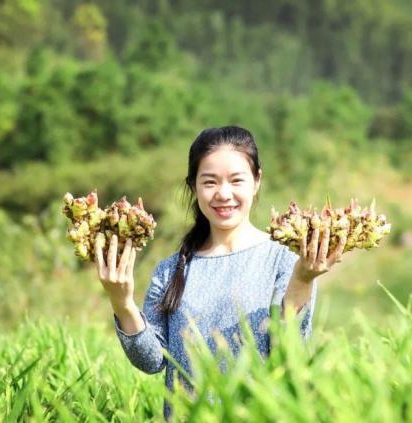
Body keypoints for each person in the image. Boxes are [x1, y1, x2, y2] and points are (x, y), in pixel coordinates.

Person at [94, 126, 347, 419]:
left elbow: (288, 350)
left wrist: (303, 279)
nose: (223, 194)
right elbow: (151, 360)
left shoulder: (284, 260)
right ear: (193, 187)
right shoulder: (170, 271)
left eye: (236, 180)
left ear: (256, 181)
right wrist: (122, 302)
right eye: (210, 182)